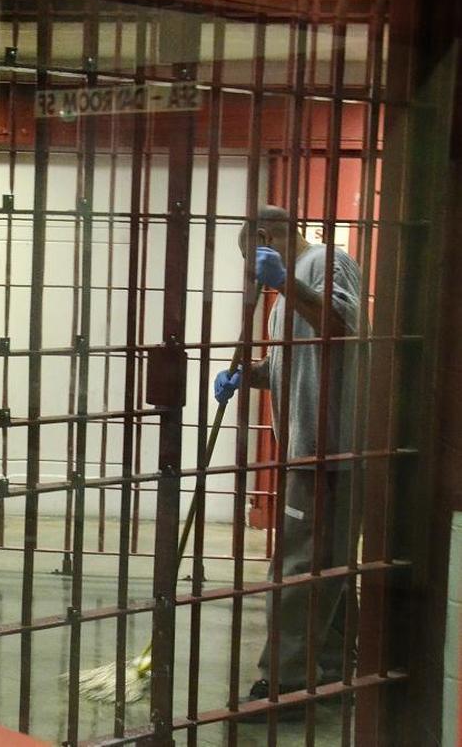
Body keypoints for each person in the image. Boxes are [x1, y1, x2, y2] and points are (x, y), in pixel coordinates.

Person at [214, 205, 363, 714]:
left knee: (300, 568)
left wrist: (287, 285)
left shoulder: (325, 261)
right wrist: (251, 375)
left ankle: (283, 684)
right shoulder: (288, 292)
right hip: (309, 444)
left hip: (329, 444)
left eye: (256, 260)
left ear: (272, 235)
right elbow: (297, 361)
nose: (256, 276)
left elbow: (339, 325)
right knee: (328, 564)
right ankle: (334, 669)